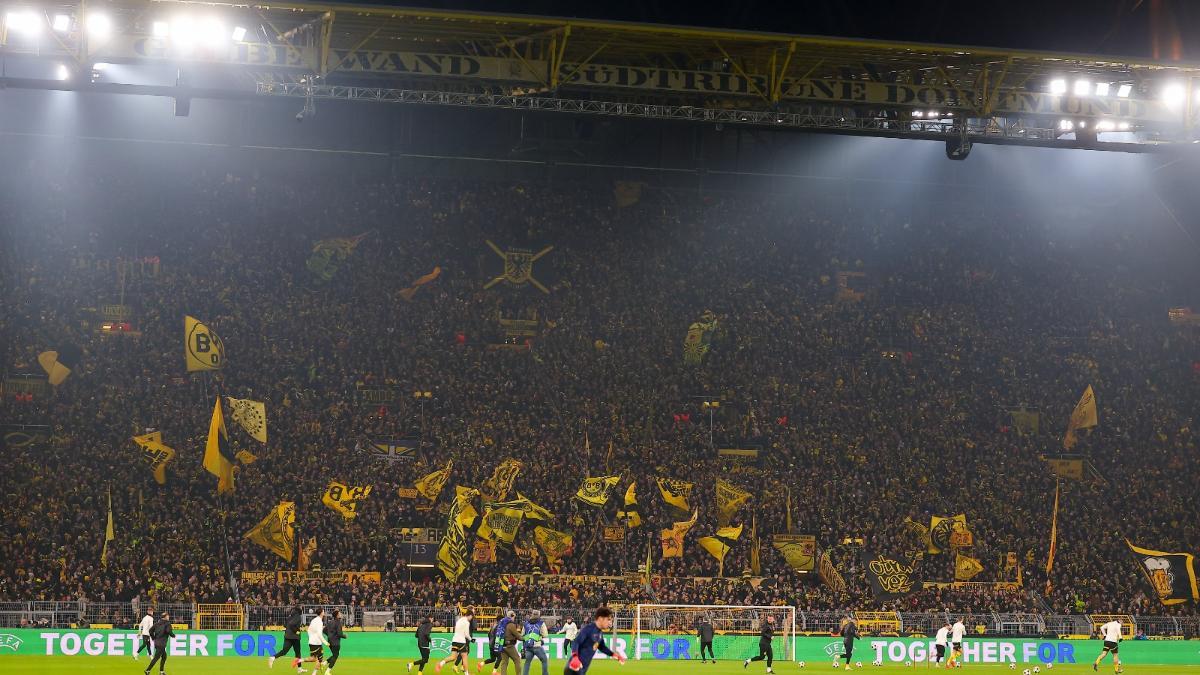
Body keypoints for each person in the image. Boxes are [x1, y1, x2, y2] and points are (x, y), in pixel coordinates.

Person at [566, 607, 624, 675]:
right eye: (608, 619)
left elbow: (602, 647)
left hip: (582, 669)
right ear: (600, 619)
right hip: (574, 668)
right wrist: (575, 657)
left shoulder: (599, 632)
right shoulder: (588, 629)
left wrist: (614, 654)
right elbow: (576, 642)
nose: (609, 622)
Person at [437, 607, 474, 673]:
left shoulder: (459, 620)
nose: (471, 618)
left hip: (454, 640)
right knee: (465, 658)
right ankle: (467, 674)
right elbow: (466, 634)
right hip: (461, 641)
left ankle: (441, 663)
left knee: (453, 657)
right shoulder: (467, 622)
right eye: (471, 617)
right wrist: (471, 639)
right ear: (470, 615)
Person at [269, 606, 305, 671]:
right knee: (298, 653)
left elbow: (285, 625)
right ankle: (299, 668)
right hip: (295, 637)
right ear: (299, 611)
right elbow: (292, 624)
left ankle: (273, 657)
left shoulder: (289, 617)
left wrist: (290, 629)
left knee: (284, 651)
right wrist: (297, 631)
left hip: (287, 636)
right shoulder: (298, 616)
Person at [495, 611, 524, 675]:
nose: (514, 618)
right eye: (514, 617)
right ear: (512, 615)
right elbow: (518, 636)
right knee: (517, 659)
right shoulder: (511, 624)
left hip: (502, 645)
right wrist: (525, 638)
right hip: (509, 646)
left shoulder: (501, 623)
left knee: (504, 662)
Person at [521, 611, 549, 675]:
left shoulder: (526, 623)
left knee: (527, 663)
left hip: (528, 646)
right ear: (539, 615)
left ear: (532, 615)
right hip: (537, 646)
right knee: (544, 660)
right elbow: (545, 635)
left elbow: (522, 635)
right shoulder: (541, 623)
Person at [305, 608, 329, 673]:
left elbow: (309, 630)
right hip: (317, 643)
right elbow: (319, 634)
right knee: (320, 659)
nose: (324, 612)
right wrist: (325, 642)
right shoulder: (319, 622)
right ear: (321, 613)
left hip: (312, 642)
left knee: (314, 658)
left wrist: (311, 637)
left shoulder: (314, 620)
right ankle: (314, 673)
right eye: (323, 611)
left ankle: (299, 660)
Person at [323, 608, 346, 675]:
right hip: (335, 642)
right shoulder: (338, 622)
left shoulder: (330, 622)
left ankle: (324, 663)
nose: (340, 614)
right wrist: (344, 636)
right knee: (335, 656)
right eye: (339, 614)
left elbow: (324, 630)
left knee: (334, 655)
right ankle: (327, 671)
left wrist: (330, 635)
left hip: (329, 641)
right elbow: (339, 633)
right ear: (337, 616)